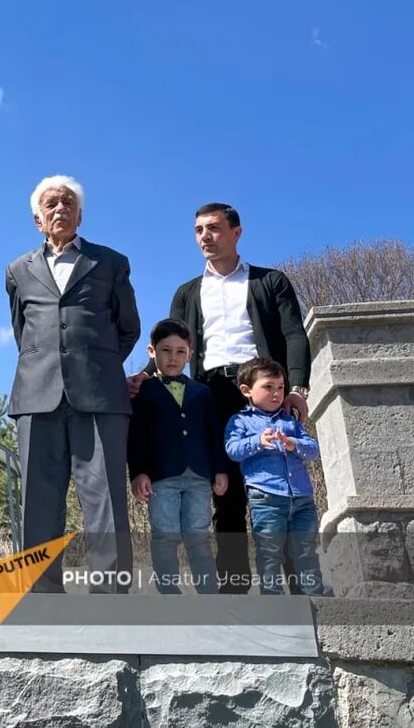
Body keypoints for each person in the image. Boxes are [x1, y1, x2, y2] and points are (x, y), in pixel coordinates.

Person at [129, 202, 312, 593]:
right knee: (223, 490)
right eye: (198, 230)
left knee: (278, 486)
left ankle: (297, 587)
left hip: (263, 393)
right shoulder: (187, 292)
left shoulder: (271, 281)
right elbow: (171, 343)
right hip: (208, 394)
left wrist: (296, 387)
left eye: (213, 228)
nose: (204, 237)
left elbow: (294, 333)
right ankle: (233, 586)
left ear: (236, 232)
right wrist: (144, 378)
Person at [6, 175, 140, 592]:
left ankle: (110, 595)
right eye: (51, 204)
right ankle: (40, 594)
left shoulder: (110, 262)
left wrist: (93, 365)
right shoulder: (17, 270)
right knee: (39, 502)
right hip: (36, 394)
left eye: (68, 203)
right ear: (37, 219)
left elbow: (128, 328)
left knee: (105, 500)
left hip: (99, 394)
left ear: (80, 215)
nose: (60, 208)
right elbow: (22, 331)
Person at [129, 319, 228, 594]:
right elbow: (136, 437)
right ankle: (169, 594)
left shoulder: (202, 392)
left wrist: (220, 469)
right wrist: (138, 472)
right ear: (152, 351)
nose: (173, 358)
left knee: (198, 536)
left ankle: (209, 593)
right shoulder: (142, 391)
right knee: (164, 535)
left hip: (199, 475)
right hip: (161, 476)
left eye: (180, 352)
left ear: (190, 354)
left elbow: (214, 434)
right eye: (166, 351)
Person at [225, 357, 324, 596]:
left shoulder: (290, 420)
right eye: (268, 387)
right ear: (247, 391)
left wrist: (293, 444)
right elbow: (232, 449)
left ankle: (316, 598)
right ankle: (273, 601)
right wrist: (257, 441)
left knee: (306, 550)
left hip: (302, 498)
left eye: (280, 387)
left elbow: (313, 448)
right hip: (266, 499)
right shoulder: (240, 420)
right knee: (269, 552)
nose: (276, 393)